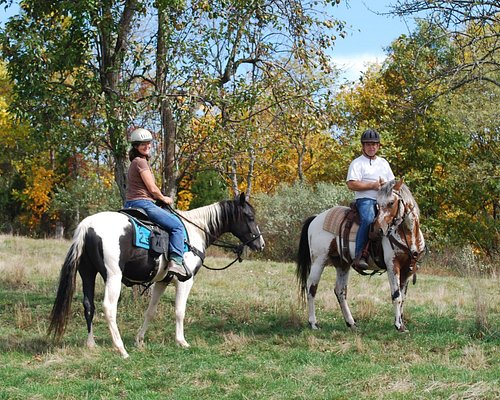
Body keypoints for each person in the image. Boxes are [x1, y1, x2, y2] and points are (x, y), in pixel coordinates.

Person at [124, 128, 191, 281]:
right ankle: (176, 261)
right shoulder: (141, 162)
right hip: (143, 204)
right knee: (177, 226)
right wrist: (164, 198)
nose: (146, 146)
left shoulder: (136, 162)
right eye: (142, 144)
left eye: (148, 143)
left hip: (130, 203)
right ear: (135, 146)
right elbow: (152, 189)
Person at [346, 129, 395, 269]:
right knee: (368, 218)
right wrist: (372, 185)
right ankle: (360, 255)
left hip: (384, 200)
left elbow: (392, 182)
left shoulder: (383, 163)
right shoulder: (357, 163)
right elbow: (351, 184)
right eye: (368, 144)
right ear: (363, 146)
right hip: (366, 199)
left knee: (399, 217)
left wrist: (387, 185)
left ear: (378, 146)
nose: (371, 147)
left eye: (374, 144)